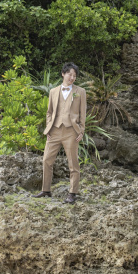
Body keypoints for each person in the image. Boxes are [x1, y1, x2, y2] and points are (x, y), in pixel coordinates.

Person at [33, 62, 86, 204]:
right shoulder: (53, 91)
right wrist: (49, 128)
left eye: (74, 76)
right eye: (70, 74)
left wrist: (81, 131)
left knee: (73, 163)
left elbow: (83, 113)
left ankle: (72, 193)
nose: (72, 77)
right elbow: (49, 112)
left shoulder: (80, 92)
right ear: (63, 74)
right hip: (54, 131)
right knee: (46, 160)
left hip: (71, 132)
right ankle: (46, 190)